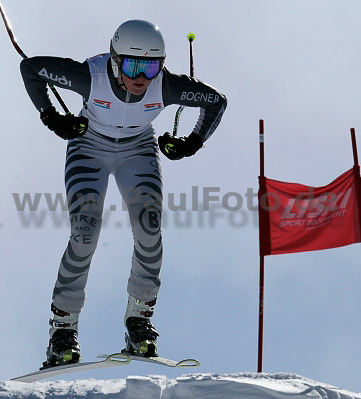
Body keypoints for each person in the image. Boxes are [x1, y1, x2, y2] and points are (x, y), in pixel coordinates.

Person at [20, 19, 227, 369]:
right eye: (133, 64)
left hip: (138, 149)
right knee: (85, 232)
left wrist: (191, 143)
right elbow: (31, 69)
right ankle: (63, 329)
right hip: (89, 147)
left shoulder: (166, 86)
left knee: (149, 228)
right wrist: (52, 118)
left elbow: (216, 102)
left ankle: (139, 320)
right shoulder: (90, 77)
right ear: (115, 59)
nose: (141, 77)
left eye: (151, 66)